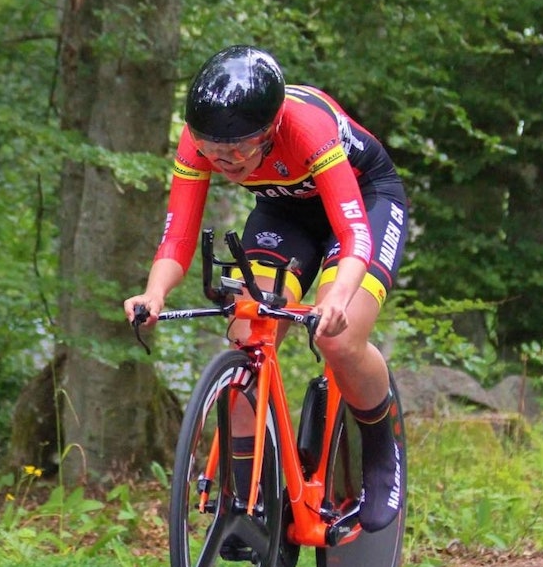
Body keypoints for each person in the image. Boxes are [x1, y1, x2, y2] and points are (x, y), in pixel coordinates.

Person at [123, 45, 409, 535]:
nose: (223, 161)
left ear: (271, 130)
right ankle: (250, 499)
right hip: (284, 213)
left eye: (237, 150)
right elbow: (178, 236)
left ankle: (382, 449)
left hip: (363, 202)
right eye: (212, 149)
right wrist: (154, 294)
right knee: (246, 328)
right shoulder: (199, 143)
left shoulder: (307, 129)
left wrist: (337, 299)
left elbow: (355, 233)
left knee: (337, 337)